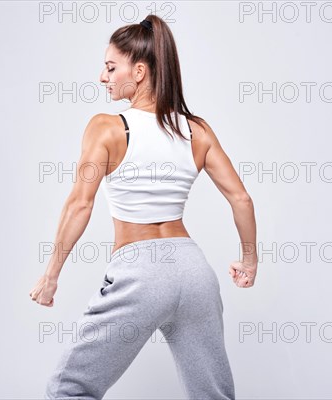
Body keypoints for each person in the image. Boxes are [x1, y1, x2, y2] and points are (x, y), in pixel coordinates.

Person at [29, 14, 258, 400]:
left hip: (141, 271)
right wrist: (249, 260)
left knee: (68, 389)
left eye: (110, 67)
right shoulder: (196, 129)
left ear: (138, 71)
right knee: (213, 395)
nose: (103, 77)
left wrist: (51, 275)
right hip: (194, 272)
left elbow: (79, 206)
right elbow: (242, 198)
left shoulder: (107, 127)